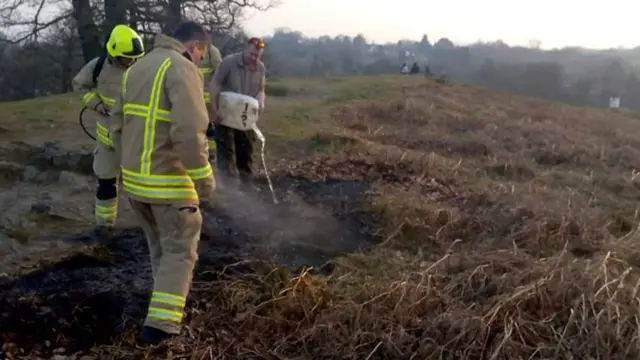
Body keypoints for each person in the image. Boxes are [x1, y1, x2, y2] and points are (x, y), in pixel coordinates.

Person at [110, 20, 215, 345]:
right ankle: (160, 331)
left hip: (136, 187)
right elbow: (189, 132)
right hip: (169, 187)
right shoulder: (182, 69)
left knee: (160, 249)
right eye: (203, 54)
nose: (201, 61)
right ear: (195, 45)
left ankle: (164, 304)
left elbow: (116, 125)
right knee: (180, 252)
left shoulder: (136, 70)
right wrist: (205, 179)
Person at [72, 25, 145, 241]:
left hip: (136, 138)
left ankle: (147, 226)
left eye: (134, 58)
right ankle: (104, 226)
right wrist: (95, 103)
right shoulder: (98, 66)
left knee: (143, 184)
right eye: (125, 58)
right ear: (113, 52)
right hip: (108, 141)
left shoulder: (142, 67)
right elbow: (79, 85)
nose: (130, 62)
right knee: (106, 181)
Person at [209, 37, 266, 187]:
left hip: (246, 117)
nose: (254, 58)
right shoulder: (228, 62)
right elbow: (215, 84)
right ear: (245, 49)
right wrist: (215, 109)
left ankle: (247, 185)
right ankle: (228, 188)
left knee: (245, 151)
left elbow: (261, 89)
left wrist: (261, 102)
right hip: (226, 113)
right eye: (252, 54)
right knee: (226, 151)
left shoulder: (260, 68)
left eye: (257, 56)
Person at [199, 44, 223, 163]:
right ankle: (201, 152)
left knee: (210, 128)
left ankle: (211, 154)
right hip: (196, 96)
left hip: (208, 98)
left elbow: (220, 73)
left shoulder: (212, 51)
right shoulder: (192, 49)